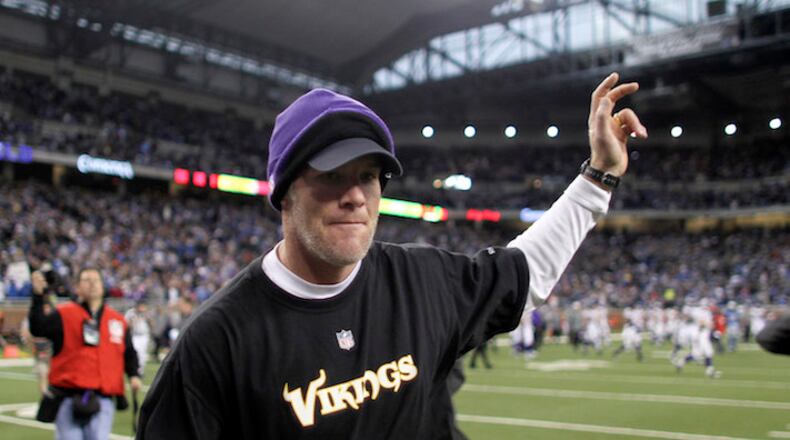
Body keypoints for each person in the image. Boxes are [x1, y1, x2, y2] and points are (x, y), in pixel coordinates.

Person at [138, 72, 647, 439]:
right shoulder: (216, 342)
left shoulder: (422, 279)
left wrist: (599, 174)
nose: (355, 195)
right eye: (331, 175)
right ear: (285, 193)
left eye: (367, 177)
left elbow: (524, 273)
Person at [29, 268, 142, 439]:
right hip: (68, 396)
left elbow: (128, 352)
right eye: (86, 280)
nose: (92, 284)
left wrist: (133, 375)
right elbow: (38, 328)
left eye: (96, 280)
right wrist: (38, 296)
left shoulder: (117, 320)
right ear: (77, 287)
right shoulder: (63, 314)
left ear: (103, 286)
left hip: (103, 398)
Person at [124, 301, 153, 377]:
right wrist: (134, 320)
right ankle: (135, 370)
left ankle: (141, 371)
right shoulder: (131, 313)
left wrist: (147, 318)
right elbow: (126, 324)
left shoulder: (147, 313)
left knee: (142, 354)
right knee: (136, 352)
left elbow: (152, 325)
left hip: (144, 335)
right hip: (134, 335)